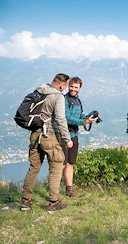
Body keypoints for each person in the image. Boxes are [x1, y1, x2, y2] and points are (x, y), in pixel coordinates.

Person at [21, 73, 73, 212]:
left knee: (33, 167)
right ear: (62, 84)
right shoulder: (58, 96)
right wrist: (67, 139)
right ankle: (53, 203)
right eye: (66, 86)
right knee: (56, 167)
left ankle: (26, 201)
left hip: (34, 135)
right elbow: (61, 119)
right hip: (49, 135)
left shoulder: (39, 91)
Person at [62, 77, 96, 197]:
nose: (73, 89)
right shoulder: (64, 99)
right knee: (61, 164)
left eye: (76, 87)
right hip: (64, 136)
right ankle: (54, 191)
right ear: (68, 86)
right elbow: (66, 118)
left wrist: (87, 118)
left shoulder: (78, 101)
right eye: (71, 86)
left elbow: (80, 115)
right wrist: (83, 122)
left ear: (80, 88)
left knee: (70, 163)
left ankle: (69, 190)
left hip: (74, 135)